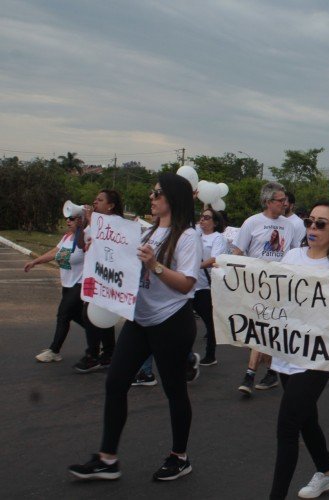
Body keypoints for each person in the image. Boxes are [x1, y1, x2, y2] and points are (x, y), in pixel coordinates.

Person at [69, 173, 201, 481]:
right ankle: (107, 458)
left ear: (174, 199)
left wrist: (154, 264)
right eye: (152, 193)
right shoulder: (148, 231)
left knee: (174, 391)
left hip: (171, 321)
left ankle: (179, 457)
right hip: (140, 319)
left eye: (157, 193)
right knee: (115, 382)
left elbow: (186, 284)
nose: (151, 198)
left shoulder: (187, 236)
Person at [269, 201, 329, 499]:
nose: (312, 228)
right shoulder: (293, 255)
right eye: (310, 222)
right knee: (306, 418)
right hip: (286, 350)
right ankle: (326, 472)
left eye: (321, 224)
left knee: (287, 427)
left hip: (318, 356)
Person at [233, 182, 299, 396]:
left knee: (263, 328)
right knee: (263, 328)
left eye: (285, 200)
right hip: (256, 284)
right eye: (281, 200)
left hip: (280, 285)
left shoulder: (289, 226)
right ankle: (271, 371)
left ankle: (250, 373)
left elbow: (295, 253)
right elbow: (237, 252)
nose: (285, 203)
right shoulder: (252, 222)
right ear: (268, 202)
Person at [73, 189, 123, 373]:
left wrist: (93, 222)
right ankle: (109, 352)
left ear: (110, 205)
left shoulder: (118, 224)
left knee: (91, 313)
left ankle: (93, 354)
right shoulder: (93, 221)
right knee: (98, 315)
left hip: (108, 276)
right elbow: (80, 244)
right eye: (95, 199)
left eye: (100, 200)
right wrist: (84, 223)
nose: (95, 202)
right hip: (92, 274)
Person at [26, 211, 86, 362]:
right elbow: (55, 252)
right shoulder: (66, 237)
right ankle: (101, 335)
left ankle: (54, 350)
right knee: (78, 317)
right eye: (67, 218)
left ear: (80, 220)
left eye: (72, 218)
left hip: (79, 285)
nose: (68, 221)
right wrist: (35, 261)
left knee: (63, 315)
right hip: (67, 284)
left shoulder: (84, 238)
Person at [195, 207, 227, 366]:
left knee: (209, 321)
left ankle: (210, 354)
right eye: (201, 217)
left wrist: (195, 266)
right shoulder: (196, 234)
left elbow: (215, 258)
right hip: (191, 285)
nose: (202, 220)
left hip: (205, 286)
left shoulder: (217, 238)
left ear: (215, 223)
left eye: (207, 218)